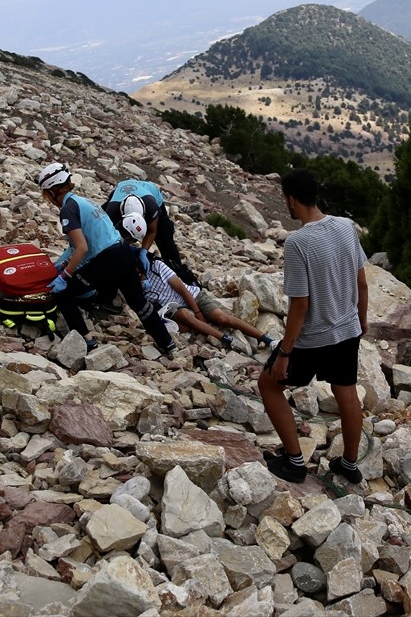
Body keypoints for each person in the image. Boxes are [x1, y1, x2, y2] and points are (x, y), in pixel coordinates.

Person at [258, 169, 368, 485]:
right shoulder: (347, 227)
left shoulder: (298, 242)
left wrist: (284, 353)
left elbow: (300, 305)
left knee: (268, 385)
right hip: (347, 330)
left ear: (291, 200)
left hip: (313, 338)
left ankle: (294, 463)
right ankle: (348, 463)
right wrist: (361, 321)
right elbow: (361, 282)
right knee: (346, 394)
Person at [37, 162, 176, 355]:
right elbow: (79, 245)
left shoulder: (68, 209)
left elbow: (82, 248)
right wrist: (59, 265)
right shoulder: (84, 202)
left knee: (64, 294)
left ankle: (86, 341)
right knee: (139, 304)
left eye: (46, 194)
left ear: (53, 190)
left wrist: (64, 276)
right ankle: (166, 342)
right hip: (124, 253)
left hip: (107, 260)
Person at [132, 212, 277, 352]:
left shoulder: (157, 267)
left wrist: (198, 311)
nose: (139, 277)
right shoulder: (135, 287)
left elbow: (182, 289)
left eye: (139, 273)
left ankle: (266, 339)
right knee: (185, 318)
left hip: (192, 296)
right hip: (173, 309)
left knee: (222, 318)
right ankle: (224, 338)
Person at [103, 178, 187, 275]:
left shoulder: (152, 207)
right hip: (121, 190)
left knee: (165, 238)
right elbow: (106, 236)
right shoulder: (112, 210)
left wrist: (143, 252)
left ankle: (178, 272)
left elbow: (152, 231)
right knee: (108, 233)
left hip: (150, 191)